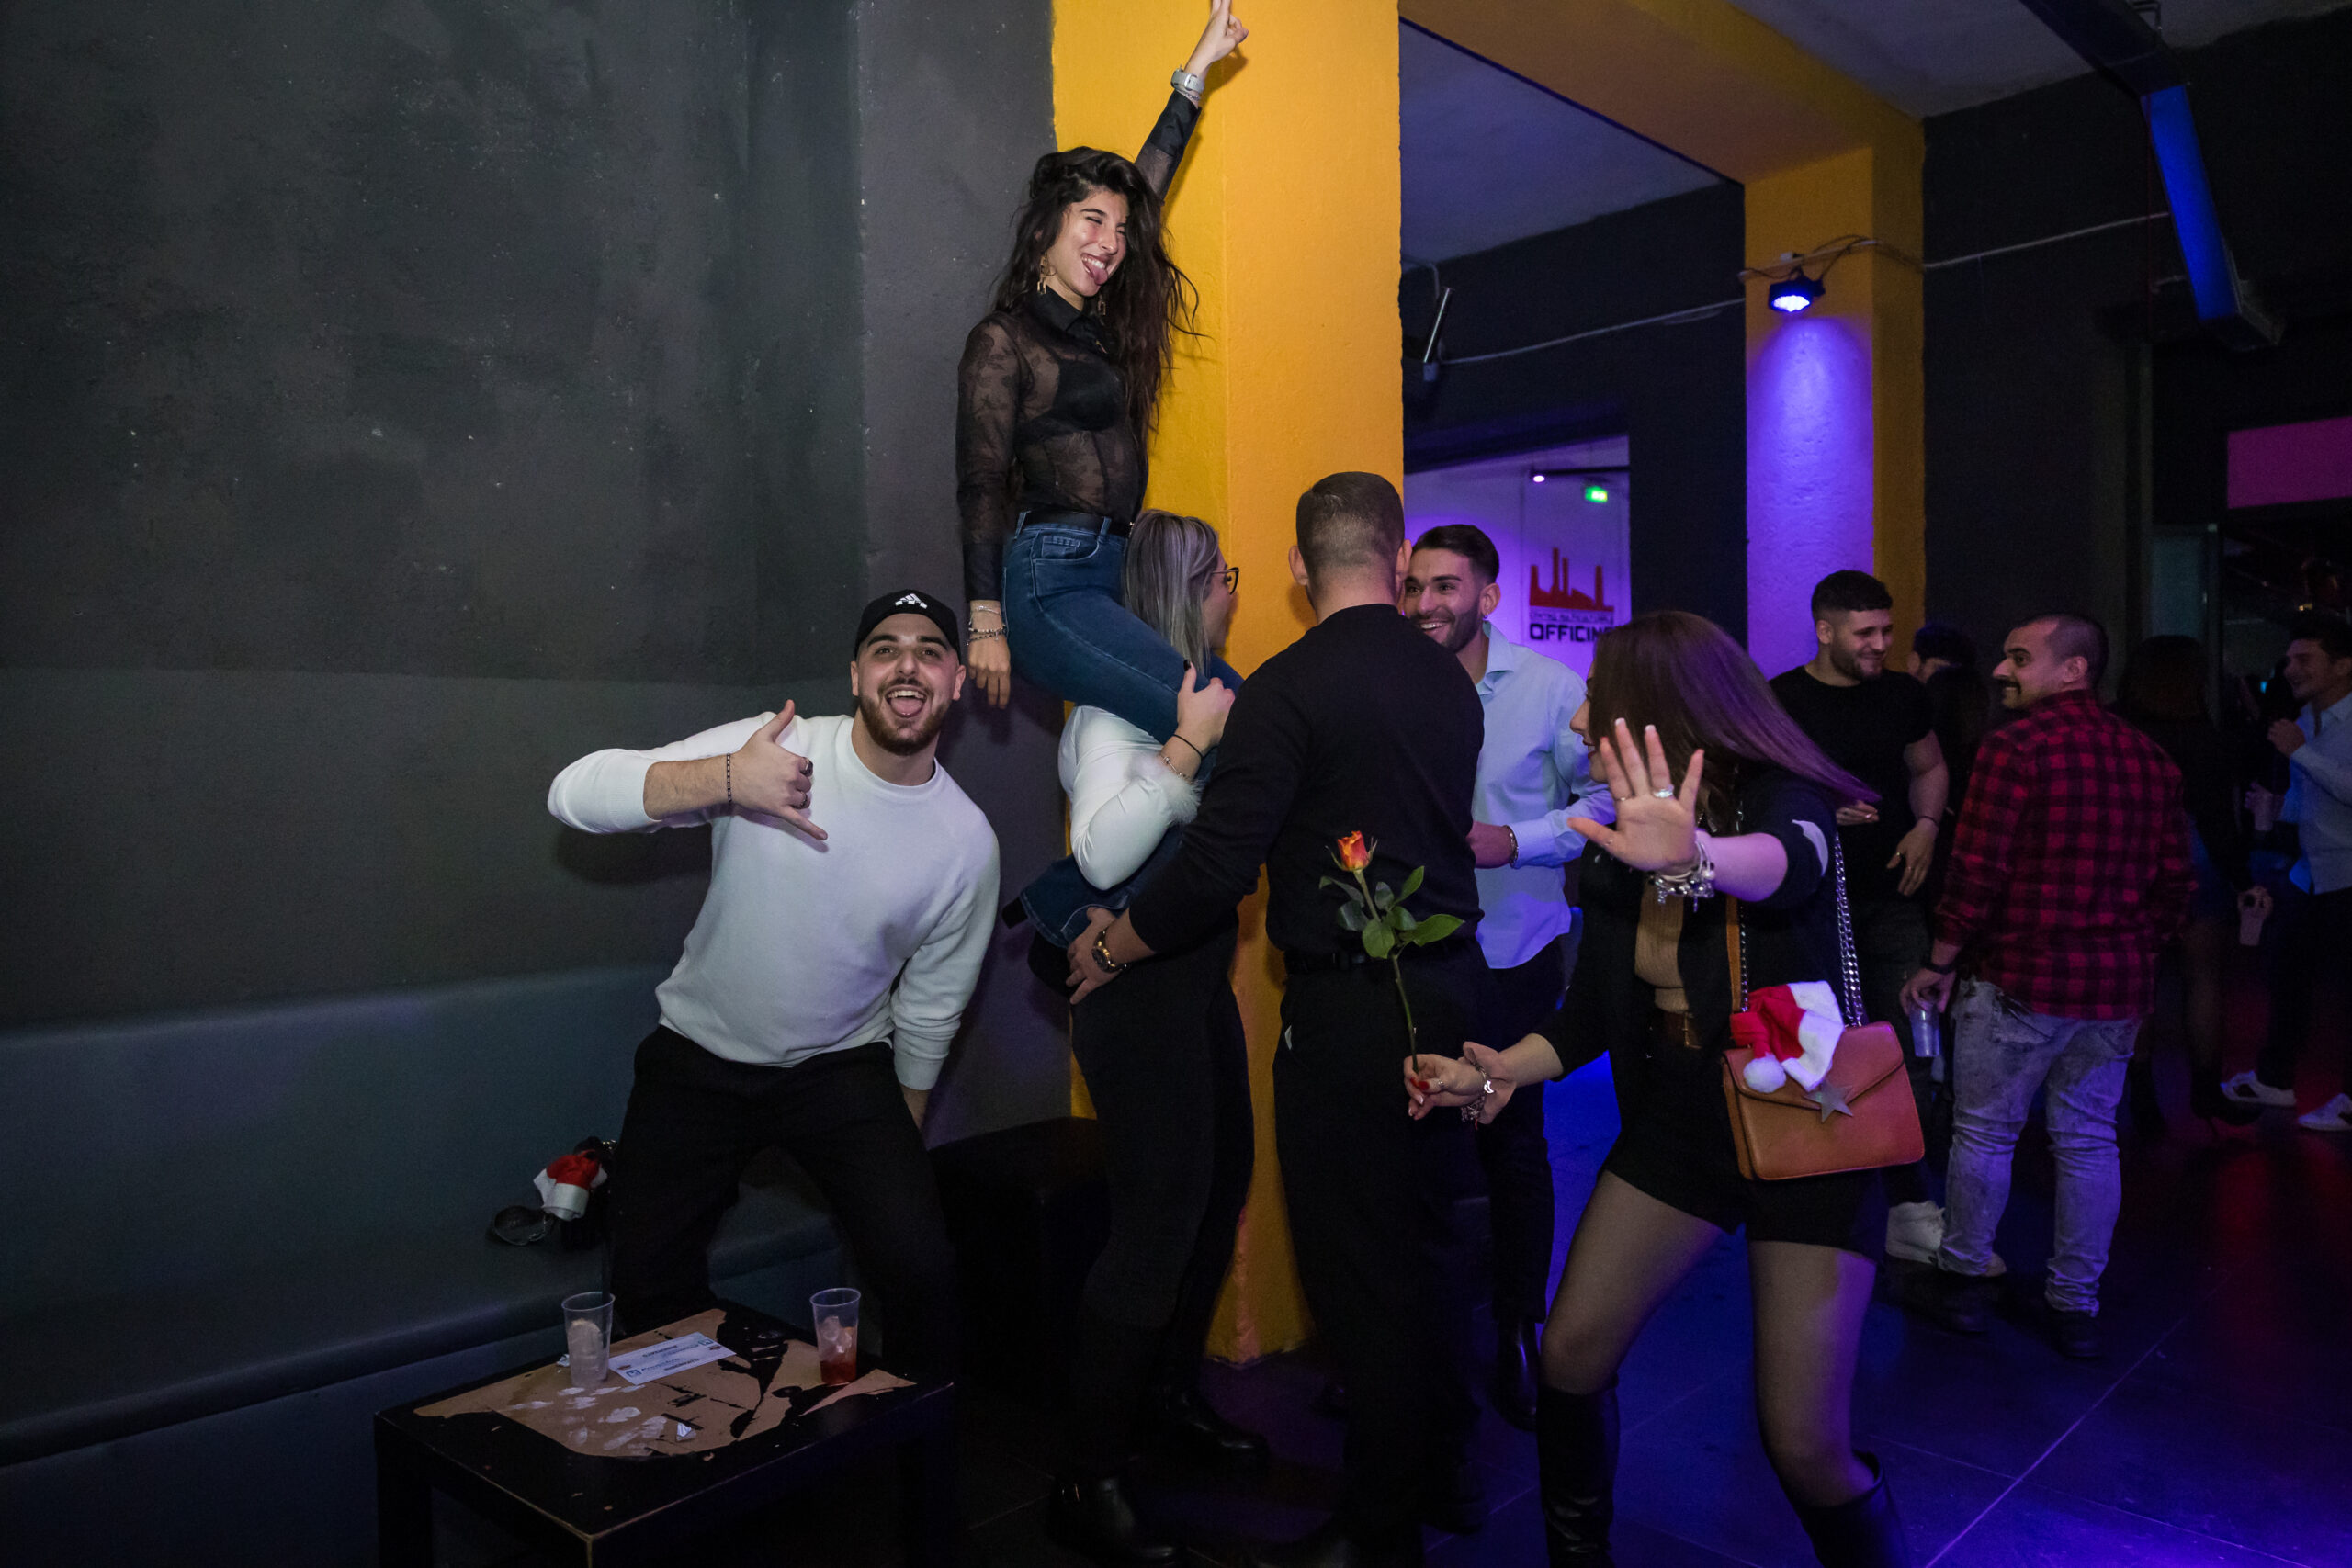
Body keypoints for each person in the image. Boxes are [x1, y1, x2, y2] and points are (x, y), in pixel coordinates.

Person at [1407, 611, 1908, 1568]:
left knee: (1804, 1443)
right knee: (1570, 1355)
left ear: (1656, 713)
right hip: (1676, 1120)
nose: (1577, 719)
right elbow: (1591, 1015)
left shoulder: (1783, 797)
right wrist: (1499, 1068)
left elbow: (1787, 867)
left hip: (1806, 1120)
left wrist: (1695, 858)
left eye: (1596, 698)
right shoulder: (1612, 839)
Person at [1071, 472, 1486, 1568]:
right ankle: (1441, 1477)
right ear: (1398, 558)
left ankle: (1376, 1532)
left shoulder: (1288, 687)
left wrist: (1111, 945)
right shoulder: (1450, 682)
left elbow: (1217, 867)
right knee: (1426, 1249)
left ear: (1302, 570)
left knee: (1358, 1273)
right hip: (1452, 994)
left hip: (1352, 1011)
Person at [546, 592, 999, 1380]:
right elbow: (572, 793)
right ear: (855, 675)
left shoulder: (966, 841)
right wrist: (729, 778)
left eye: (930, 650)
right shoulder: (774, 747)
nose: (908, 665)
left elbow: (931, 1009)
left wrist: (897, 1163)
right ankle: (704, 1434)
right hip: (699, 1056)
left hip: (839, 1066)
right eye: (885, 649)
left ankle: (913, 1448)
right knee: (647, 1282)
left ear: (956, 681)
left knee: (922, 1270)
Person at [1042, 513, 1265, 1565]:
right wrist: (1188, 747)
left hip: (1191, 981)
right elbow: (1098, 855)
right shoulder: (1115, 710)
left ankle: (1165, 1401)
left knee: (1219, 1189)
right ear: (1184, 589)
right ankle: (1085, 1473)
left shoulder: (1195, 691)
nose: (1233, 591)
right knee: (1156, 1224)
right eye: (1222, 576)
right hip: (1134, 997)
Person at [1899, 615, 2192, 1362]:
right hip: (2114, 987)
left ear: (2074, 669)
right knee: (2090, 1141)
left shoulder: (2014, 749)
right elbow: (2173, 883)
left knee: (1985, 1133)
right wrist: (2133, 948)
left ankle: (1964, 1282)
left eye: (2020, 657)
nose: (2002, 669)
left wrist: (1940, 958)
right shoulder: (2152, 759)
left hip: (2019, 977)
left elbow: (1977, 871)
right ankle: (2075, 1306)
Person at [956, 0, 1249, 738]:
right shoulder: (1005, 339)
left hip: (1117, 572)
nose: (1111, 241)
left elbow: (1149, 183)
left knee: (1250, 711)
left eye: (1120, 229)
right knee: (1215, 720)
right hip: (1048, 582)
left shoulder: (1103, 330)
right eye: (1093, 220)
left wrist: (1197, 70)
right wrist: (985, 618)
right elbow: (982, 480)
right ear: (1046, 227)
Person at [1398, 522, 1611, 1431]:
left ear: (1487, 597)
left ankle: (1520, 1329)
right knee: (1417, 1146)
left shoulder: (1549, 689)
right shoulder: (1392, 681)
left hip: (1515, 949)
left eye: (1444, 586)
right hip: (1414, 954)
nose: (1424, 603)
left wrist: (1515, 839)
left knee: (1514, 1146)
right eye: (1413, 586)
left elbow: (1605, 803)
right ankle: (1412, 1341)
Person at [1770, 573, 1950, 1268]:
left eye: (1887, 630)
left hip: (1893, 895)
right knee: (1817, 1049)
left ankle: (1909, 1204)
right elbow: (1756, 791)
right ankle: (1817, 1197)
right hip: (1813, 904)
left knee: (1906, 1047)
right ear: (1825, 631)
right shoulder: (1782, 699)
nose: (1881, 644)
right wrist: (1818, 806)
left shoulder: (1904, 694)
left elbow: (1928, 766)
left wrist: (1927, 824)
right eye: (1865, 632)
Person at [2114, 636, 2267, 1132]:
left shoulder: (2118, 728)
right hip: (2193, 853)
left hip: (2129, 860)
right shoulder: (2204, 737)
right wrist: (2242, 879)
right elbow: (2218, 820)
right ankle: (2206, 1090)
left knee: (2141, 983)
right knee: (2204, 978)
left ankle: (2142, 1096)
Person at [2222, 614, 2352, 1131]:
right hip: (2310, 872)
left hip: (2347, 875)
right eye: (2290, 659)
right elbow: (2314, 803)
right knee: (2287, 978)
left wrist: (2301, 753)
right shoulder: (2304, 721)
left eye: (2304, 659)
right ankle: (2275, 1080)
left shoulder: (2311, 731)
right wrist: (2275, 808)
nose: (2291, 669)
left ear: (2343, 665)